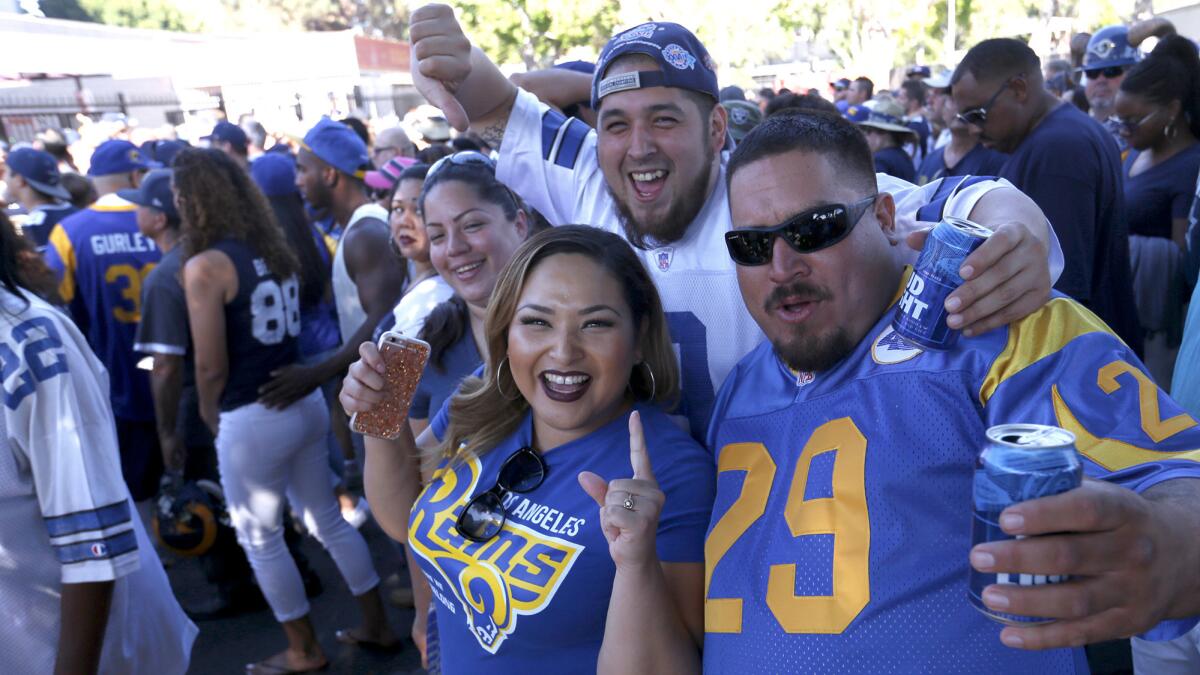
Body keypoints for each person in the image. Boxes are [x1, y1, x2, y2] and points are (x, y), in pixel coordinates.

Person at [614, 108, 1200, 672]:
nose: (781, 264)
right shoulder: (741, 389)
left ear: (887, 218)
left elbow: (1178, 481)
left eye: (813, 229)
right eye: (752, 245)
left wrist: (1169, 548)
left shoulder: (992, 328)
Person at [406, 7, 1062, 439]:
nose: (638, 146)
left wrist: (1015, 224)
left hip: (776, 514)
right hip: (649, 525)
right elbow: (491, 102)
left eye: (665, 118)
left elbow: (954, 198)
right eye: (617, 123)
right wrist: (445, 49)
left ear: (716, 129)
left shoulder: (764, 202)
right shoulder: (594, 186)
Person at [350, 225, 714, 673]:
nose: (563, 352)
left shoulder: (671, 473)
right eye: (537, 321)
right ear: (506, 330)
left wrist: (636, 564)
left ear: (639, 337)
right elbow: (401, 517)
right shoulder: (477, 402)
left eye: (596, 323)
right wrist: (380, 419)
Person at [174, 148, 396, 673]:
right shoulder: (270, 247)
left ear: (191, 200)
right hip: (300, 402)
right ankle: (377, 625)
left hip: (252, 413)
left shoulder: (206, 264)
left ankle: (303, 649)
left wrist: (210, 416)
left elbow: (209, 364)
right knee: (328, 521)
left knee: (261, 537)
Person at [0, 211, 197, 674]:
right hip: (143, 389)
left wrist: (172, 427)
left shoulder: (33, 341)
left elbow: (94, 551)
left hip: (81, 647)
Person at [952, 38, 1143, 355]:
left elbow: (1058, 286)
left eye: (977, 114)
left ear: (1018, 89)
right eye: (965, 119)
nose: (973, 130)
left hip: (1077, 359)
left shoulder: (1056, 149)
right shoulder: (1070, 132)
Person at [258, 118, 407, 414]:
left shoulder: (365, 234)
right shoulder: (357, 228)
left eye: (302, 170)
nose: (297, 181)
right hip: (372, 393)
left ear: (328, 174)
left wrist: (315, 374)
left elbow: (384, 324)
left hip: (386, 400)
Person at [44, 139, 164, 501]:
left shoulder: (70, 231)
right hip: (178, 363)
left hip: (116, 370)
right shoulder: (168, 216)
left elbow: (56, 304)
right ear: (135, 174)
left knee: (136, 485)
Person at [1114, 35, 1200, 390]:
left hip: (1159, 334)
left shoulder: (1191, 165)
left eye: (1133, 122)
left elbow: (1182, 259)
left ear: (1171, 110)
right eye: (1120, 122)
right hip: (1123, 311)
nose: (1124, 131)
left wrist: (1127, 249)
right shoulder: (1134, 152)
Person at [381, 162, 453, 340]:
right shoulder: (412, 272)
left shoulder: (437, 296)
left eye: (419, 210)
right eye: (398, 209)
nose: (405, 221)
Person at [917, 92, 1008, 185]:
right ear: (943, 112)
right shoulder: (930, 160)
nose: (959, 108)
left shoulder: (997, 160)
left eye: (967, 101)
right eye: (953, 100)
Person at [1080, 26, 1143, 154]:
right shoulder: (1075, 128)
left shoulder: (1147, 133)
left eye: (1111, 71)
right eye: (1092, 73)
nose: (1100, 80)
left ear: (1135, 74)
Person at [2, 147, 78, 250]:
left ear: (20, 180)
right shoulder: (73, 210)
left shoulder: (36, 225)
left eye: (4, 172)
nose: (3, 178)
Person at [846, 99, 918, 182]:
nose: (865, 135)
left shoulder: (880, 160)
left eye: (869, 130)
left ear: (884, 133)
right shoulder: (903, 156)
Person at [897, 79, 932, 166]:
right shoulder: (911, 122)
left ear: (914, 103)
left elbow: (907, 161)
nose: (897, 101)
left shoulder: (915, 127)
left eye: (902, 98)